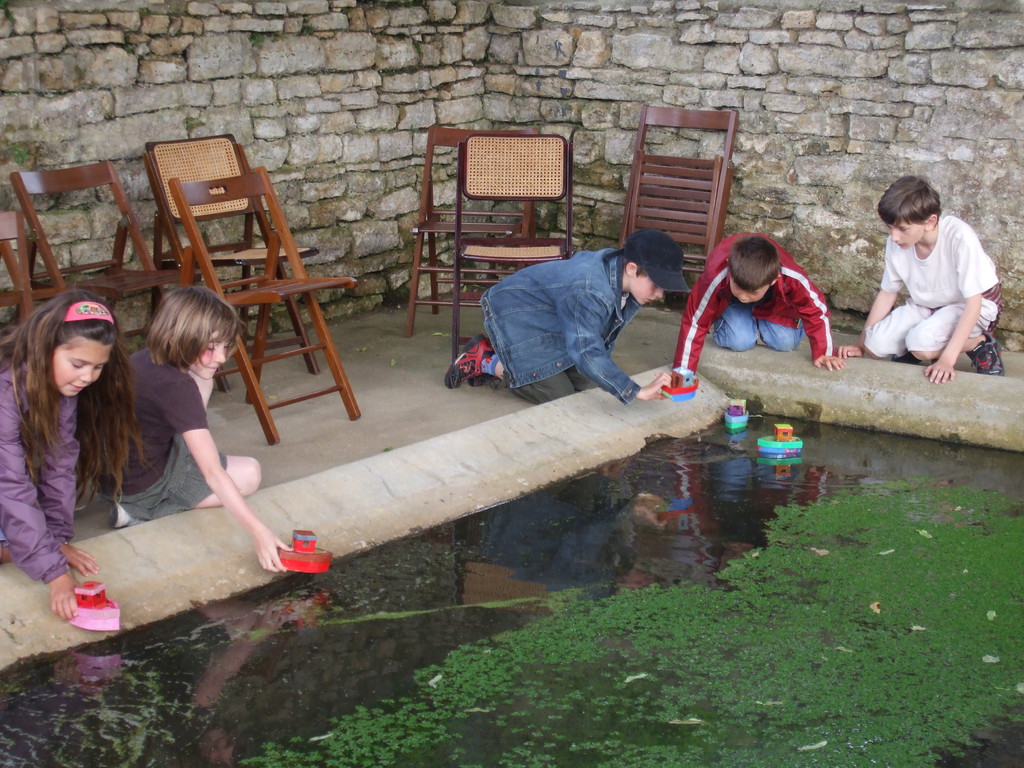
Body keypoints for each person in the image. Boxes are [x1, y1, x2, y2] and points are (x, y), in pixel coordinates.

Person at [102, 286, 289, 571]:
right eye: (211, 347)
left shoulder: (144, 358)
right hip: (142, 485)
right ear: (182, 337)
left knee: (204, 377)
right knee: (250, 473)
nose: (221, 357)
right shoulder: (177, 387)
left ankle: (136, 499)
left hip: (115, 472)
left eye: (226, 346)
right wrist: (259, 532)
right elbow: (213, 473)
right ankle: (140, 511)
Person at [0, 291, 137, 620]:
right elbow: (9, 480)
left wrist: (57, 538)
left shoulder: (62, 386)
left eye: (97, 367)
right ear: (47, 348)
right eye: (78, 365)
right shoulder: (7, 388)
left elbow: (60, 465)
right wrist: (53, 572)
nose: (88, 377)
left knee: (23, 531)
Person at [443, 228, 687, 404]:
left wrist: (611, 379)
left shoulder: (619, 272)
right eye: (656, 284)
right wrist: (635, 391)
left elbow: (595, 341)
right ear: (632, 269)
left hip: (551, 321)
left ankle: (510, 360)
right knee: (560, 400)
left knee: (591, 389)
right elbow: (585, 350)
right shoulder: (590, 290)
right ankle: (486, 359)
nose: (659, 294)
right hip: (515, 315)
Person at [836, 175, 1003, 383]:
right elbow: (888, 293)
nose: (894, 236)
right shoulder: (896, 243)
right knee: (875, 344)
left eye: (902, 229)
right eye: (890, 228)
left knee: (921, 345)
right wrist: (861, 344)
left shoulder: (959, 236)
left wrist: (946, 360)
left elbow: (973, 303)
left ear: (930, 221)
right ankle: (915, 346)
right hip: (928, 304)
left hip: (975, 305)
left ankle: (979, 344)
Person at [674, 232, 845, 374]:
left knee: (785, 343)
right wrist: (683, 372)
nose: (744, 297)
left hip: (773, 303)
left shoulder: (790, 276)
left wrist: (824, 352)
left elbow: (816, 310)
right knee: (739, 341)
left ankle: (757, 318)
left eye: (752, 292)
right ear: (729, 271)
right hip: (730, 303)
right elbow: (695, 322)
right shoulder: (716, 275)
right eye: (738, 287)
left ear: (773, 280)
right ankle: (737, 322)